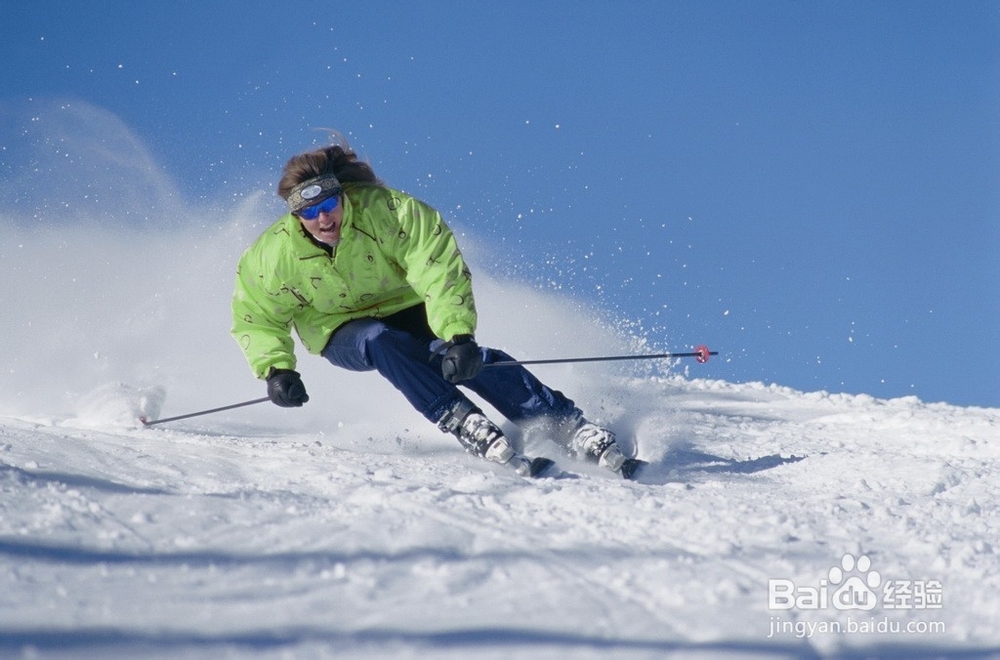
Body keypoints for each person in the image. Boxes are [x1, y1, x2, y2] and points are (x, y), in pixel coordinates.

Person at [231, 136, 634, 478]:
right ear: (296, 216)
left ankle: (563, 423)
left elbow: (436, 264)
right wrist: (276, 370)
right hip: (340, 329)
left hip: (407, 305)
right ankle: (459, 418)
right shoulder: (273, 256)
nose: (323, 219)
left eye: (329, 205)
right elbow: (257, 314)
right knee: (379, 339)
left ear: (341, 196)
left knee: (453, 359)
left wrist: (459, 335)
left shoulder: (387, 211)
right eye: (309, 213)